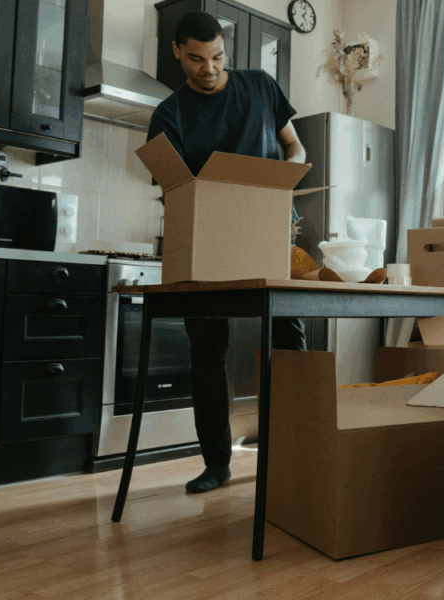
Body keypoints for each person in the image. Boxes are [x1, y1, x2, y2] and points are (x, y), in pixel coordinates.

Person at [146, 10, 308, 494]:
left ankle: (296, 448)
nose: (210, 68)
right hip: (206, 239)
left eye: (217, 57)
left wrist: (286, 176)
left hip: (269, 227)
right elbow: (174, 188)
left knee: (288, 337)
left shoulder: (259, 85)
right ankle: (217, 464)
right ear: (178, 53)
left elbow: (294, 147)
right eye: (196, 59)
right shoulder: (168, 116)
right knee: (207, 351)